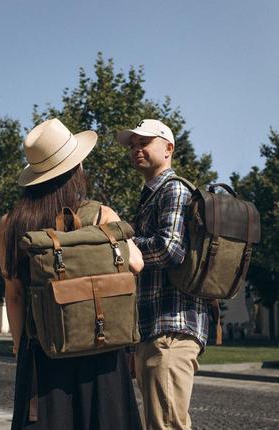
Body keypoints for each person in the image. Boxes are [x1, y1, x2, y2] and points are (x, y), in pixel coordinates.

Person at [0, 118, 144, 430]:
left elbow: (14, 293)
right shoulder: (101, 215)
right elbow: (136, 264)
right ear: (76, 170)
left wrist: (19, 344)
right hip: (101, 347)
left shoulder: (11, 223)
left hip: (43, 352)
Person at [118, 119, 209, 430]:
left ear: (168, 148)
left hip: (171, 328)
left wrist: (123, 244)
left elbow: (170, 249)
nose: (135, 149)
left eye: (144, 142)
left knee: (166, 425)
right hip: (153, 330)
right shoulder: (151, 196)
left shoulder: (174, 189)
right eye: (132, 145)